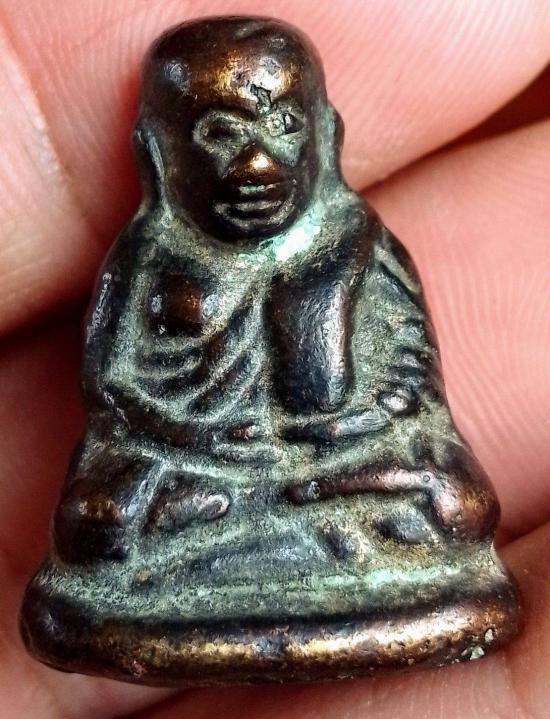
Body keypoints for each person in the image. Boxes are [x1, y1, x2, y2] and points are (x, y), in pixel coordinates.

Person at [1, 1, 550, 717]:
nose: (256, 164)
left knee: (456, 504)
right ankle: (287, 527)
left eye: (284, 125)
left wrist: (359, 421)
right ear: (157, 153)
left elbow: (411, 384)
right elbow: (113, 388)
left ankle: (272, 528)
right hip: (194, 461)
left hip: (341, 459)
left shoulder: (358, 245)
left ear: (327, 135)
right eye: (220, 134)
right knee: (96, 522)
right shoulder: (150, 258)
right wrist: (193, 435)